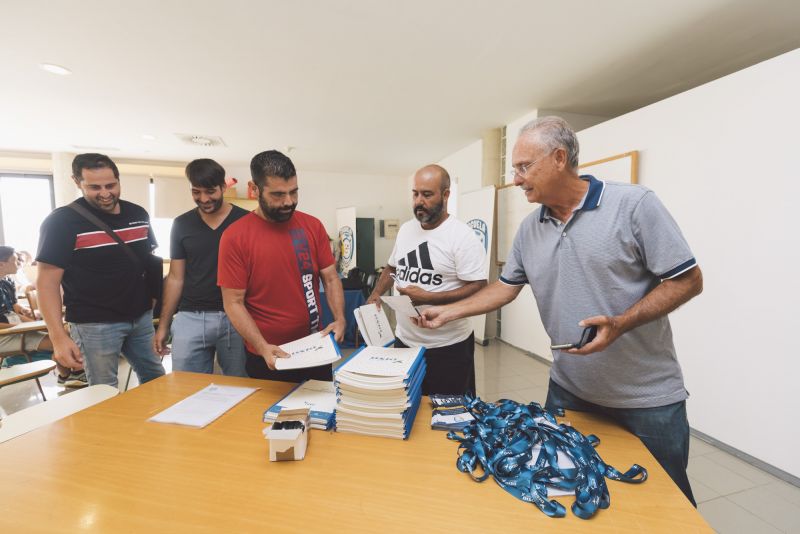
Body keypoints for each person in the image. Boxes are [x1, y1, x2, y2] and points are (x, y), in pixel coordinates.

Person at [418, 117, 703, 506]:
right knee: (573, 497)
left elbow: (687, 280)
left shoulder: (634, 205)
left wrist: (622, 323)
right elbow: (505, 288)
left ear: (558, 158)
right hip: (569, 392)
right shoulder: (529, 229)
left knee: (666, 507)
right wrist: (449, 313)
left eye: (523, 167)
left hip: (647, 399)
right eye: (514, 169)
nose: (516, 180)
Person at [36, 153, 166, 387]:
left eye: (111, 185)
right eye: (94, 187)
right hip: (94, 324)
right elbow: (47, 283)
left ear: (118, 179)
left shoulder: (138, 214)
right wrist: (58, 336)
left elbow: (147, 261)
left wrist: (154, 303)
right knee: (103, 391)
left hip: (141, 317)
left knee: (156, 380)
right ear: (77, 182)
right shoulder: (61, 222)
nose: (105, 193)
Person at [218, 150, 346, 381]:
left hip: (315, 349)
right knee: (267, 416)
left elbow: (330, 277)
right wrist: (261, 345)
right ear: (254, 189)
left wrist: (339, 318)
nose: (289, 201)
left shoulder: (312, 226)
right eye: (278, 194)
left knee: (320, 413)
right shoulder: (235, 236)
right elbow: (233, 302)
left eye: (294, 192)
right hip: (267, 354)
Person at [366, 164, 487, 395]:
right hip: (405, 342)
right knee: (409, 407)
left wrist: (430, 298)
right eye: (415, 193)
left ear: (446, 194)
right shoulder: (406, 230)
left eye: (427, 194)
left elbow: (479, 287)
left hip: (448, 347)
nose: (418, 201)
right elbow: (392, 266)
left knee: (447, 415)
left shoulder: (461, 236)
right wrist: (376, 293)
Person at [153, 159, 249, 376]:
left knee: (242, 386)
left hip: (237, 317)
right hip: (191, 317)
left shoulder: (246, 221)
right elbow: (176, 278)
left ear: (224, 187)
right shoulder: (181, 224)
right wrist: (163, 326)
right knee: (186, 388)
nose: (204, 199)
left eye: (210, 191)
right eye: (196, 192)